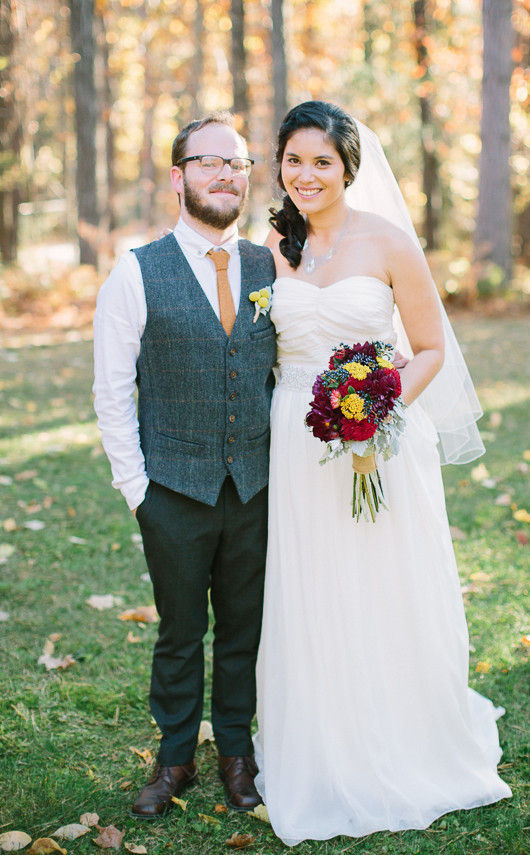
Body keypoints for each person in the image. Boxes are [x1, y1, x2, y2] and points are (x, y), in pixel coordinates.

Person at [253, 100, 512, 846]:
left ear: (348, 167)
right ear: (280, 165)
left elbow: (429, 347)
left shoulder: (390, 241)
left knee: (382, 583)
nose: (306, 175)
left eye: (322, 162)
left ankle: (403, 732)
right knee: (313, 586)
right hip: (297, 441)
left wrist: (376, 406)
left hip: (379, 441)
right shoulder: (274, 245)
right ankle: (322, 737)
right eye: (294, 160)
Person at [92, 112, 276, 818]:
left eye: (237, 163)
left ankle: (236, 751)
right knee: (178, 630)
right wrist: (139, 490)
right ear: (179, 176)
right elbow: (112, 391)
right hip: (172, 487)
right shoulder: (136, 272)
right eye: (209, 162)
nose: (226, 174)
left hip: (257, 487)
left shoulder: (269, 265)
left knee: (243, 627)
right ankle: (174, 757)